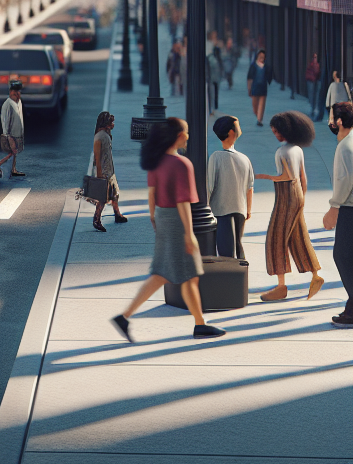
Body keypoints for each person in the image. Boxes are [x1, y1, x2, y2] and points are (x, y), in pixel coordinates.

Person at [111, 118, 225, 342]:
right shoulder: (181, 164)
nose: (188, 136)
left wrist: (154, 218)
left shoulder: (156, 161)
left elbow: (151, 194)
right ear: (177, 136)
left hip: (162, 216)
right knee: (183, 273)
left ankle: (198, 323)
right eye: (186, 132)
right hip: (176, 219)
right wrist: (189, 233)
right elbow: (183, 202)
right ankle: (199, 325)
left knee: (167, 273)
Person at [255, 110, 324, 301]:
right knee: (298, 238)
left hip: (286, 197)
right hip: (298, 196)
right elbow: (302, 177)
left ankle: (281, 286)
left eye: (277, 131)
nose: (276, 135)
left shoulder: (282, 151)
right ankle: (316, 276)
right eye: (274, 131)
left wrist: (265, 177)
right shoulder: (297, 149)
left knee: (275, 239)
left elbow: (287, 177)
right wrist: (302, 200)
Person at [323, 101, 353, 328]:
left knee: (342, 256)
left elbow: (344, 182)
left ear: (340, 121)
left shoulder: (345, 147)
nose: (330, 122)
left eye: (332, 117)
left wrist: (334, 208)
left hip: (349, 209)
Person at [208, 115, 254, 259]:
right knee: (238, 245)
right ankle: (240, 275)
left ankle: (231, 278)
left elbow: (209, 185)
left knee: (225, 250)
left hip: (221, 210)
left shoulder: (216, 157)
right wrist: (248, 210)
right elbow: (249, 187)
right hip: (240, 209)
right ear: (231, 132)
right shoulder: (244, 159)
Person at [91, 111, 128, 231]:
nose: (113, 124)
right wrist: (99, 174)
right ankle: (96, 219)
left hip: (110, 171)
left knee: (115, 194)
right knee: (103, 197)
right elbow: (97, 156)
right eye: (111, 122)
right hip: (104, 172)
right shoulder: (99, 136)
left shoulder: (106, 134)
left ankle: (117, 214)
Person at [0, 79, 26, 179]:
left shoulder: (19, 102)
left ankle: (13, 169)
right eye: (15, 91)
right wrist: (7, 136)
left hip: (18, 132)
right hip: (11, 134)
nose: (17, 93)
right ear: (11, 92)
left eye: (19, 91)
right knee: (13, 152)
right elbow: (5, 120)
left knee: (15, 152)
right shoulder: (7, 104)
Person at [247, 49, 273, 126]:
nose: (262, 58)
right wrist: (249, 88)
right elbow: (250, 77)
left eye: (263, 57)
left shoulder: (266, 67)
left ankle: (259, 120)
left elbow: (269, 75)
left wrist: (269, 81)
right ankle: (258, 116)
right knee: (255, 106)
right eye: (260, 56)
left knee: (262, 105)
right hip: (255, 87)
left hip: (263, 87)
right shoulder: (253, 66)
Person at [306, 53, 323, 121]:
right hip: (313, 80)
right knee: (314, 96)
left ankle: (314, 110)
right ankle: (314, 110)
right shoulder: (313, 64)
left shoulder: (312, 64)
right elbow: (315, 71)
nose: (314, 58)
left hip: (313, 80)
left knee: (314, 96)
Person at [207, 50, 222, 115]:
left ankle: (213, 107)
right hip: (214, 79)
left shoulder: (211, 59)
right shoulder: (215, 60)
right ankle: (214, 107)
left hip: (212, 79)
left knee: (212, 94)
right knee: (214, 94)